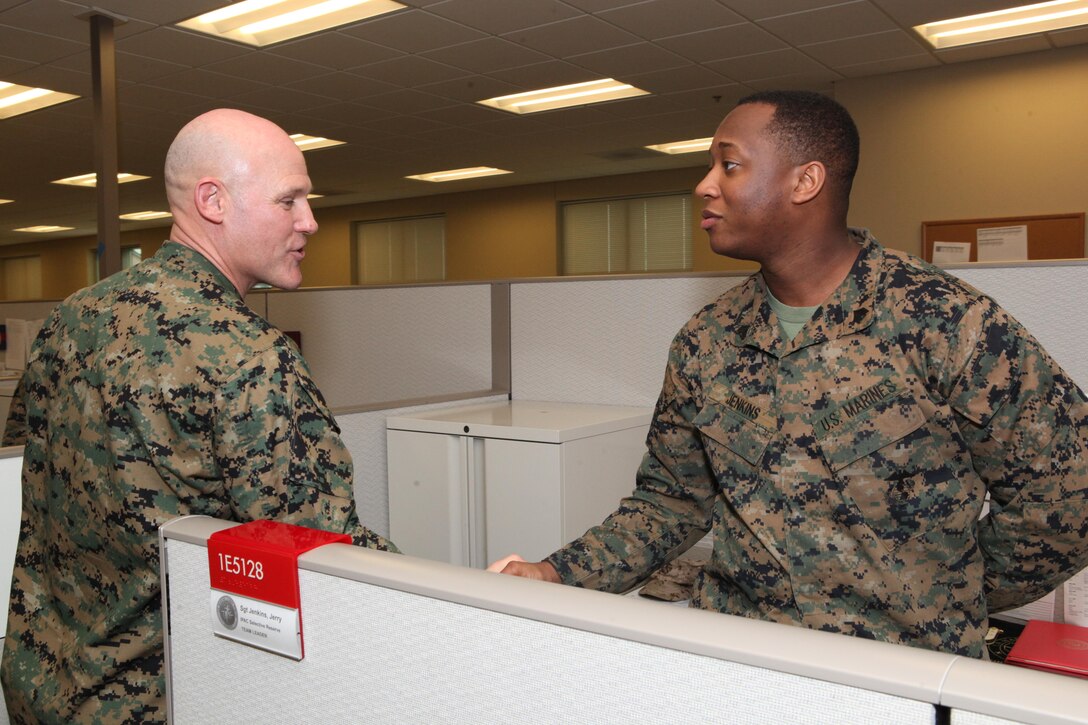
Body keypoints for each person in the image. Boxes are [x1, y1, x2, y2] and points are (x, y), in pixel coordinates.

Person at [490, 90, 1088, 657]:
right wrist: (555, 575)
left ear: (806, 181)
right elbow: (669, 504)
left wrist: (949, 592)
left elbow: (1069, 495)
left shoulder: (943, 321)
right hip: (743, 661)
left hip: (899, 674)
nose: (704, 185)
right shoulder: (707, 341)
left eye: (729, 165)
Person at [1, 109, 399, 723]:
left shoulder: (71, 317)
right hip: (169, 701)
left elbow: (32, 472)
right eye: (288, 200)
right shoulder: (250, 356)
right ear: (212, 201)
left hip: (42, 688)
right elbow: (327, 560)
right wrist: (460, 594)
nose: (310, 220)